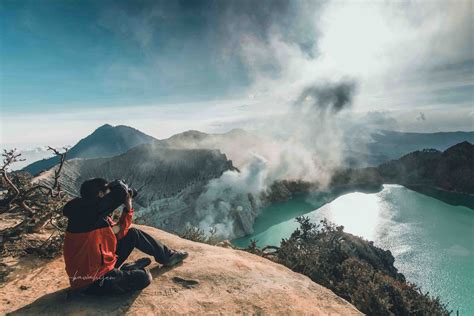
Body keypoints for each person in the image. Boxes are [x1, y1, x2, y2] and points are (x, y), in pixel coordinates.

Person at [62, 178, 188, 295]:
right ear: (100, 195)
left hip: (101, 266)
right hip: (91, 281)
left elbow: (119, 233)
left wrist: (128, 208)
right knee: (144, 277)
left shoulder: (95, 216)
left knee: (133, 234)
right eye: (107, 193)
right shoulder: (84, 215)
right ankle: (129, 269)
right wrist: (120, 189)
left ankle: (167, 256)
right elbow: (118, 194)